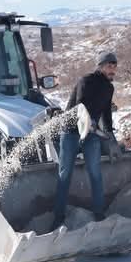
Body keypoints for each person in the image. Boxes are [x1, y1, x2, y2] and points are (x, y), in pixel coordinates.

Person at [52, 52, 120, 229]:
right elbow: (81, 106)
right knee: (65, 174)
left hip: (91, 135)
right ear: (100, 66)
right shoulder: (86, 81)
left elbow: (106, 113)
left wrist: (110, 135)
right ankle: (58, 217)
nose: (112, 70)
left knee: (95, 174)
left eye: (114, 67)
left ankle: (99, 214)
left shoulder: (109, 88)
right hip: (71, 132)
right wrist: (89, 124)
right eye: (109, 66)